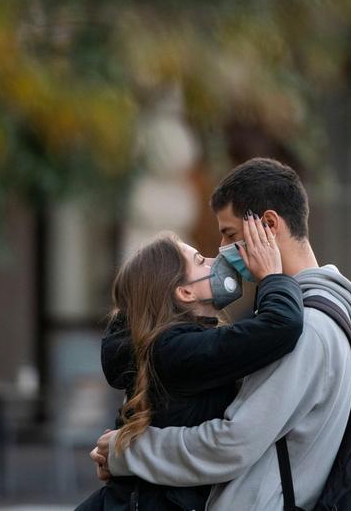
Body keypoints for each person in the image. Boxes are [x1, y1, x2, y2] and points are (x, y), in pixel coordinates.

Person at [91, 157, 351, 510]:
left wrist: (126, 451)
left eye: (230, 235)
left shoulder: (307, 328)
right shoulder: (318, 317)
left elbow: (231, 444)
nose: (223, 253)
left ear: (269, 225)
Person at [75, 213, 305, 511]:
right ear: (184, 292)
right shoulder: (177, 351)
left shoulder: (166, 346)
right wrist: (273, 276)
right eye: (200, 261)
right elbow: (282, 325)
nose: (213, 261)